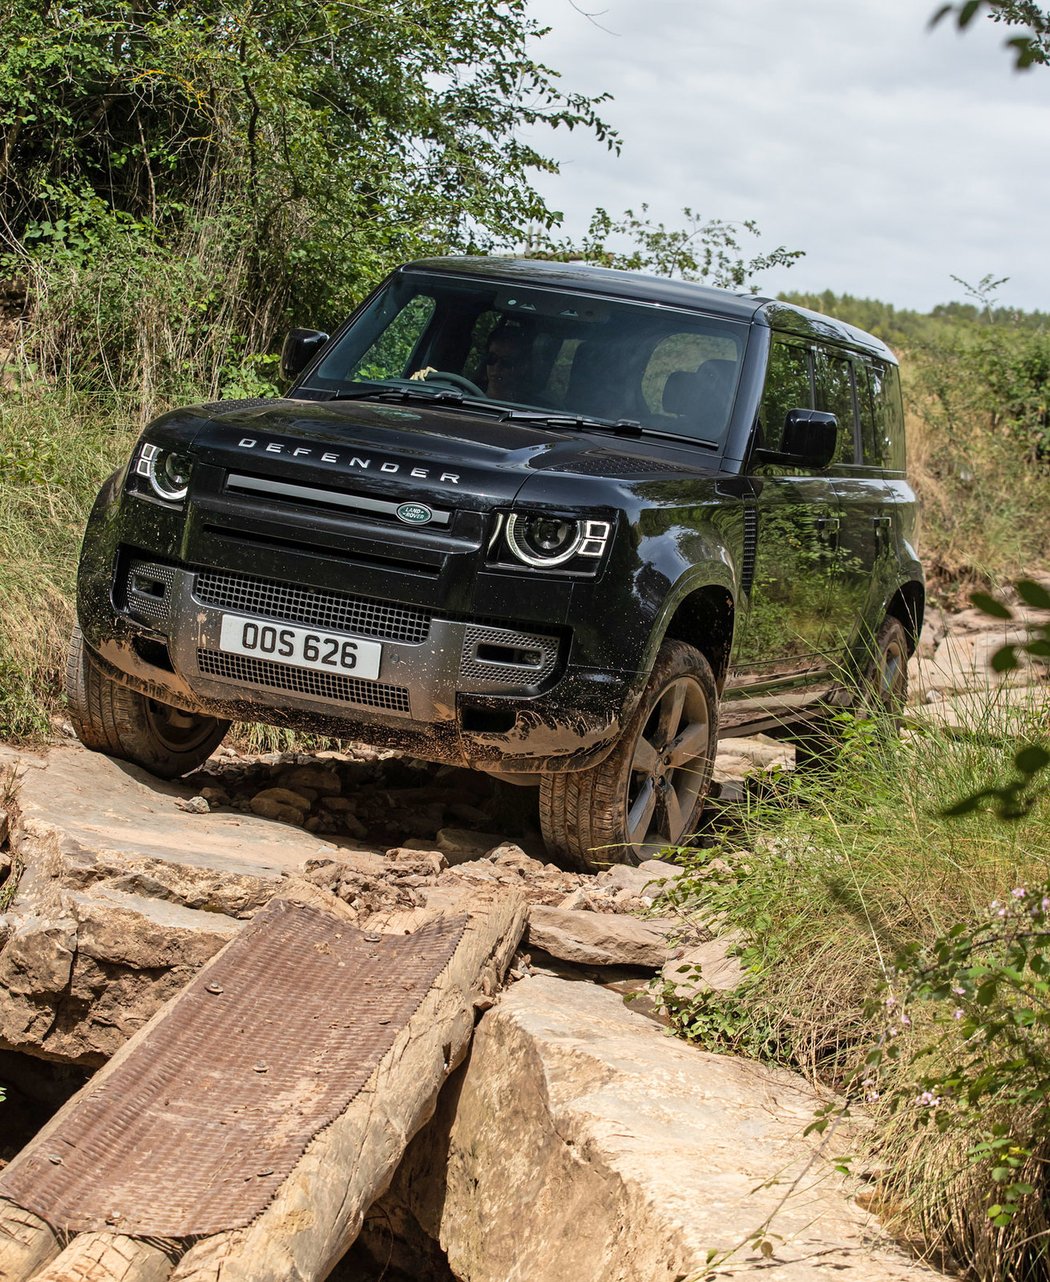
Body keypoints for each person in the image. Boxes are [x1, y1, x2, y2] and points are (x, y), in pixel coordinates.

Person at [482, 323, 535, 402]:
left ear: (523, 367)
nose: (497, 367)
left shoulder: (529, 411)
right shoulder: (464, 395)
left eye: (507, 361)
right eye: (492, 358)